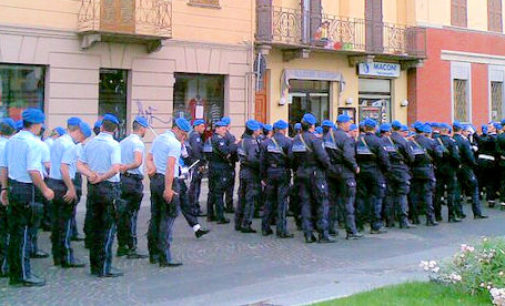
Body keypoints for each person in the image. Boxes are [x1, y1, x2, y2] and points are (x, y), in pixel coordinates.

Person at [0, 108, 54, 287]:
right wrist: (45, 189)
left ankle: (15, 271)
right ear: (37, 124)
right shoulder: (34, 143)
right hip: (27, 189)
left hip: (14, 186)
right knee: (24, 233)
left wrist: (5, 189)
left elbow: (4, 168)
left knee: (15, 233)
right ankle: (23, 275)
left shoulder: (12, 140)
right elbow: (33, 170)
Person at [78, 114, 122, 277]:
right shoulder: (114, 145)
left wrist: (91, 175)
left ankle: (94, 265)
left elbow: (79, 164)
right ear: (115, 129)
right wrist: (102, 177)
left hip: (94, 188)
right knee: (108, 228)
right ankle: (104, 267)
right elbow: (116, 168)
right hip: (109, 188)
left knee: (94, 226)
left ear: (102, 127)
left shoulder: (90, 144)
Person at [146, 118, 190, 267]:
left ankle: (153, 254)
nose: (183, 138)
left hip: (155, 179)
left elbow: (149, 158)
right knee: (167, 219)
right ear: (177, 129)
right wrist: (168, 188)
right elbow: (170, 167)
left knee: (155, 217)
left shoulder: (159, 139)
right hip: (167, 180)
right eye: (183, 134)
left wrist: (151, 169)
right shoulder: (174, 144)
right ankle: (165, 257)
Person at [47, 119, 91, 268]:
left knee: (56, 223)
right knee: (65, 224)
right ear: (78, 132)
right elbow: (64, 168)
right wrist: (71, 188)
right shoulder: (70, 145)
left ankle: (57, 255)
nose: (82, 141)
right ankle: (66, 257)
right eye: (83, 137)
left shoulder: (58, 142)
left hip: (53, 183)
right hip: (63, 185)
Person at [291, 113, 335, 243]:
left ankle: (308, 234)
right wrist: (328, 167)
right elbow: (323, 157)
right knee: (321, 204)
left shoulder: (296, 139)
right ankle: (323, 234)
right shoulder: (315, 139)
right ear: (312, 126)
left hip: (301, 174)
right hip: (316, 174)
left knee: (305, 204)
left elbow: (292, 158)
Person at [323, 114, 363, 239]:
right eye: (348, 123)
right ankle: (351, 231)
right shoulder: (347, 138)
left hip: (331, 171)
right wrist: (355, 166)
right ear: (342, 124)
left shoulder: (328, 136)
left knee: (331, 202)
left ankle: (331, 229)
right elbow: (348, 156)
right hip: (345, 172)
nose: (350, 125)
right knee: (348, 201)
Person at [116, 116, 149, 259]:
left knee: (122, 214)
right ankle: (131, 247)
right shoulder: (138, 143)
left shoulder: (123, 142)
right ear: (141, 128)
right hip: (133, 181)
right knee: (132, 215)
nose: (146, 130)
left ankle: (121, 245)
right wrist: (127, 167)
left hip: (122, 180)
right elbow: (137, 162)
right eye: (145, 128)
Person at [355, 118, 390, 234]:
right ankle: (375, 226)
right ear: (375, 128)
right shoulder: (378, 141)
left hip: (361, 172)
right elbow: (384, 159)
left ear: (364, 128)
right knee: (377, 198)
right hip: (375, 172)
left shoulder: (358, 141)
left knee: (361, 198)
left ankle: (359, 224)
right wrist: (385, 170)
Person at [260, 120, 293, 238]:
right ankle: (281, 230)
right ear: (284, 130)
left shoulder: (266, 143)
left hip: (269, 173)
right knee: (282, 202)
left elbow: (262, 162)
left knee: (268, 201)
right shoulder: (288, 142)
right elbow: (291, 159)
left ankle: (265, 228)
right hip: (283, 172)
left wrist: (262, 177)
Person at [384, 121, 415, 229]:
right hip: (401, 169)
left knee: (389, 195)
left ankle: (389, 221)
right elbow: (411, 157)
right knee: (402, 195)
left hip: (388, 169)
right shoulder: (403, 141)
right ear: (400, 129)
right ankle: (403, 221)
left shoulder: (384, 140)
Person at [453, 123, 488, 220]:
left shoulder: (452, 140)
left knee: (457, 191)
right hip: (467, 168)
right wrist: (474, 164)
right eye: (467, 131)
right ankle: (477, 212)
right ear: (462, 130)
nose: (469, 133)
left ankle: (459, 212)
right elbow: (470, 156)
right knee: (474, 189)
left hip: (456, 168)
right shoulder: (464, 141)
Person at [410, 123, 441, 226]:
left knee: (414, 194)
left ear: (414, 129)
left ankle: (415, 218)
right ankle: (430, 219)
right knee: (428, 194)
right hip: (427, 170)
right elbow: (438, 155)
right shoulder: (430, 142)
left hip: (414, 170)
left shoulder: (411, 142)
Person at [235, 120, 262, 233]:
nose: (259, 131)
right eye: (257, 129)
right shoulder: (252, 142)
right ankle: (246, 224)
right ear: (253, 131)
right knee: (250, 199)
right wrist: (260, 166)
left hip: (243, 171)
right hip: (251, 172)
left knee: (241, 198)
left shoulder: (241, 141)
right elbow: (252, 159)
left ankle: (238, 222)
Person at [208, 121, 238, 224]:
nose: (225, 131)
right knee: (218, 192)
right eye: (223, 129)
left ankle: (210, 214)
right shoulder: (218, 139)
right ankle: (220, 217)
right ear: (217, 129)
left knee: (212, 191)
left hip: (212, 167)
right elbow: (226, 151)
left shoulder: (210, 138)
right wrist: (235, 145)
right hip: (219, 168)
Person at [179, 142, 210, 238]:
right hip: (171, 181)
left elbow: (187, 160)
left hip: (179, 182)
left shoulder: (182, 147)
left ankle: (196, 228)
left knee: (185, 205)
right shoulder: (172, 147)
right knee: (164, 210)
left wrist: (188, 165)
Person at [433, 123, 461, 223]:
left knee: (438, 193)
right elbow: (456, 157)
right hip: (450, 169)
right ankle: (451, 216)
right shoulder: (451, 142)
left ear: (440, 131)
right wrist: (456, 166)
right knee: (451, 192)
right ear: (448, 131)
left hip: (438, 169)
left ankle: (437, 216)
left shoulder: (434, 142)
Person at [0, 118, 17, 278]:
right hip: (3, 186)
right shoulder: (8, 147)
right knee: (4, 227)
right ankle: (3, 265)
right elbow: (5, 169)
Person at [476, 122, 498, 207]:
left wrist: (475, 134)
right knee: (490, 181)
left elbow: (482, 142)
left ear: (494, 128)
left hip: (485, 161)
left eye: (490, 127)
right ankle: (490, 199)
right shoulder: (492, 137)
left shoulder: (490, 138)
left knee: (482, 180)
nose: (488, 128)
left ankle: (479, 196)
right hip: (490, 161)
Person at [188, 120, 206, 216]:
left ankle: (193, 207)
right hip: (196, 164)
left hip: (194, 164)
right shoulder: (195, 136)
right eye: (202, 126)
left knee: (194, 187)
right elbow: (196, 151)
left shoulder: (193, 135)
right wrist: (201, 164)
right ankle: (194, 208)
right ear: (196, 126)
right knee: (195, 187)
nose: (204, 128)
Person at [221, 117, 237, 214]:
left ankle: (220, 205)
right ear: (228, 125)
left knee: (221, 186)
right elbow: (233, 150)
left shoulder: (218, 136)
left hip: (222, 165)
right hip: (229, 164)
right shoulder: (230, 137)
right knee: (229, 187)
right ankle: (229, 206)